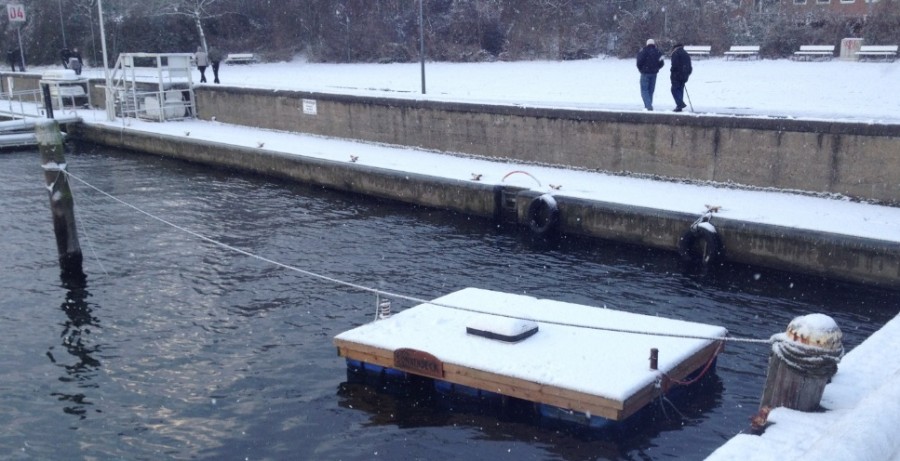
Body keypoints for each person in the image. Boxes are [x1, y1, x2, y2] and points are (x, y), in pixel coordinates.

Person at [636, 39, 664, 111]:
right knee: (651, 90)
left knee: (644, 90)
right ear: (654, 44)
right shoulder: (658, 52)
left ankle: (648, 106)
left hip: (645, 73)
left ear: (647, 44)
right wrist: (656, 68)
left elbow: (639, 62)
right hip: (654, 74)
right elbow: (662, 63)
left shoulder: (643, 51)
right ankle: (648, 106)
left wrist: (641, 69)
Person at [669, 43, 693, 112]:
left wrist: (672, 71)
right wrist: (687, 73)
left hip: (677, 75)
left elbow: (674, 65)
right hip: (684, 75)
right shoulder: (686, 53)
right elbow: (689, 66)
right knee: (680, 90)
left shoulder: (675, 53)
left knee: (674, 89)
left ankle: (680, 104)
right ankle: (679, 107)